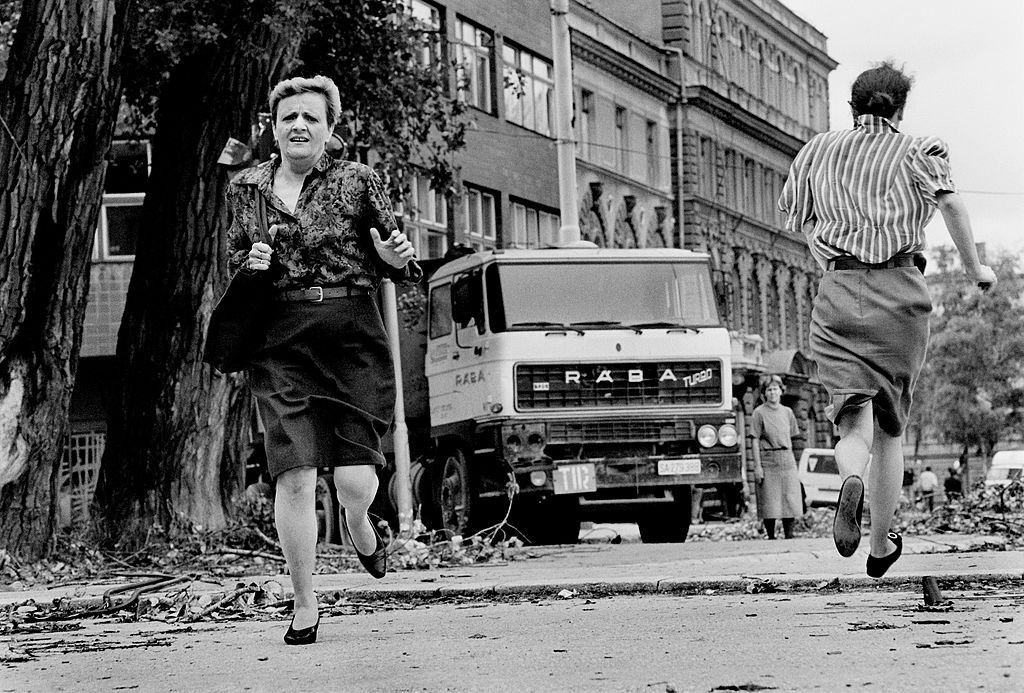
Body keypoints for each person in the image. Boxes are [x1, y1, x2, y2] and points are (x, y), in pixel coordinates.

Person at [779, 61, 997, 578]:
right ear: (900, 108)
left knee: (852, 421)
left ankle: (849, 476)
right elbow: (953, 206)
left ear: (851, 108)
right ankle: (879, 547)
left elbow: (793, 215)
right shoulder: (922, 150)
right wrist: (974, 268)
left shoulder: (818, 149)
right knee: (892, 429)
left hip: (837, 291)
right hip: (900, 292)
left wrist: (824, 249)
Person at [225, 75, 419, 645]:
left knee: (355, 481)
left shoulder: (358, 181)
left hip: (351, 336)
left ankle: (362, 525)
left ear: (330, 128)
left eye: (311, 116)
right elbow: (235, 259)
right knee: (294, 475)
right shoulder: (248, 187)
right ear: (274, 128)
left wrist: (390, 254)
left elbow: (396, 256)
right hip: (281, 341)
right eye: (289, 118)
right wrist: (253, 261)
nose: (299, 126)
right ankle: (304, 601)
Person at [750, 376, 804, 539]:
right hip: (768, 458)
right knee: (770, 499)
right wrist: (758, 466)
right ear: (765, 393)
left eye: (775, 389)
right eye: (769, 389)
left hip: (787, 458)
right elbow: (754, 439)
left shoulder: (787, 412)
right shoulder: (759, 413)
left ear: (781, 391)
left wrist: (795, 463)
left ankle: (789, 535)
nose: (773, 392)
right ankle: (771, 536)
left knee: (790, 497)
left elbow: (795, 439)